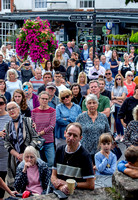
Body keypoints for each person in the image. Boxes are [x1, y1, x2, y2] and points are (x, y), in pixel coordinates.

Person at [51, 122, 95, 194]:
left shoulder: (85, 156)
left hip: (77, 193)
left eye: (75, 136)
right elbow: (53, 175)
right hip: (59, 192)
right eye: (69, 134)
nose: (71, 138)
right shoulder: (59, 150)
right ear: (65, 133)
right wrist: (60, 187)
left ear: (80, 138)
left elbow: (91, 184)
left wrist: (70, 184)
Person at [4, 101, 39, 188]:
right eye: (9, 109)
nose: (11, 110)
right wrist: (18, 155)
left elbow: (35, 138)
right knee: (18, 183)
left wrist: (25, 154)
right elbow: (7, 143)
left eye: (13, 108)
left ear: (18, 109)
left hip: (30, 157)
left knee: (31, 183)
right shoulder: (7, 126)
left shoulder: (28, 121)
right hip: (15, 159)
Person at [76, 94, 110, 163]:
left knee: (99, 172)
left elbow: (108, 132)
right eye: (89, 103)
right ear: (86, 105)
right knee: (87, 172)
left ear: (97, 104)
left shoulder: (103, 117)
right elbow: (76, 133)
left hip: (100, 150)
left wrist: (107, 147)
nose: (92, 105)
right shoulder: (81, 117)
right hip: (85, 150)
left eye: (94, 103)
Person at [31, 91, 56, 167]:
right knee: (38, 163)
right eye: (43, 98)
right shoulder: (34, 111)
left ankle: (50, 177)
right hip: (37, 142)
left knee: (51, 162)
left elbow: (52, 126)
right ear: (39, 99)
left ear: (49, 100)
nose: (44, 100)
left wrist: (41, 132)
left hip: (48, 141)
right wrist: (36, 133)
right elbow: (32, 124)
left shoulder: (52, 111)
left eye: (46, 99)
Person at [0, 95, 11, 200]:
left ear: (5, 104)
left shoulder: (10, 117)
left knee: (2, 178)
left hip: (5, 153)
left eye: (1, 103)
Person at [111, 74, 128, 142]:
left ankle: (122, 135)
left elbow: (123, 98)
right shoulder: (113, 87)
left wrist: (115, 99)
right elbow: (112, 97)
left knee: (119, 121)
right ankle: (118, 134)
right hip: (114, 106)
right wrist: (118, 100)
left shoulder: (124, 87)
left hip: (120, 107)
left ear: (121, 79)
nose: (118, 80)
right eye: (117, 79)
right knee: (116, 120)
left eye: (119, 79)